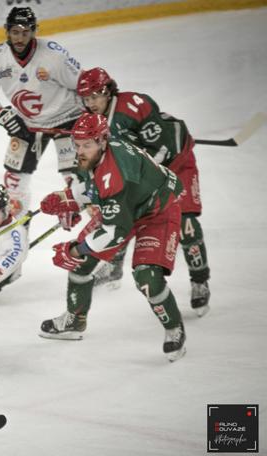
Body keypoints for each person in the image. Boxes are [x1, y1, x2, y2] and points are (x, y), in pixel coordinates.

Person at [37, 113, 187, 362]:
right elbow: (94, 186)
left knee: (147, 278)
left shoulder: (115, 174)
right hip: (128, 205)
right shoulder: (99, 152)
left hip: (158, 211)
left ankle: (174, 328)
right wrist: (68, 199)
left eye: (86, 145)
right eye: (77, 144)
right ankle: (75, 320)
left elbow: (115, 231)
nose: (80, 151)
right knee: (82, 264)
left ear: (102, 140)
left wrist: (74, 249)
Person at [77, 67, 211, 315]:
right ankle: (114, 266)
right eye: (86, 98)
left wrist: (135, 181)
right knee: (120, 212)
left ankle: (199, 279)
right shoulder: (91, 120)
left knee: (186, 222)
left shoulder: (133, 106)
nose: (91, 103)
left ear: (108, 91)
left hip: (176, 163)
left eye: (95, 96)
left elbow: (163, 148)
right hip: (142, 171)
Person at [0, 6, 84, 215]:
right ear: (7, 31)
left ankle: (89, 214)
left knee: (77, 178)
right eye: (15, 32)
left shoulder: (53, 54)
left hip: (68, 118)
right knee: (14, 183)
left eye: (25, 32)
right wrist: (3, 116)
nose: (20, 38)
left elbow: (82, 84)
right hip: (28, 124)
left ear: (34, 31)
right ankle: (17, 226)